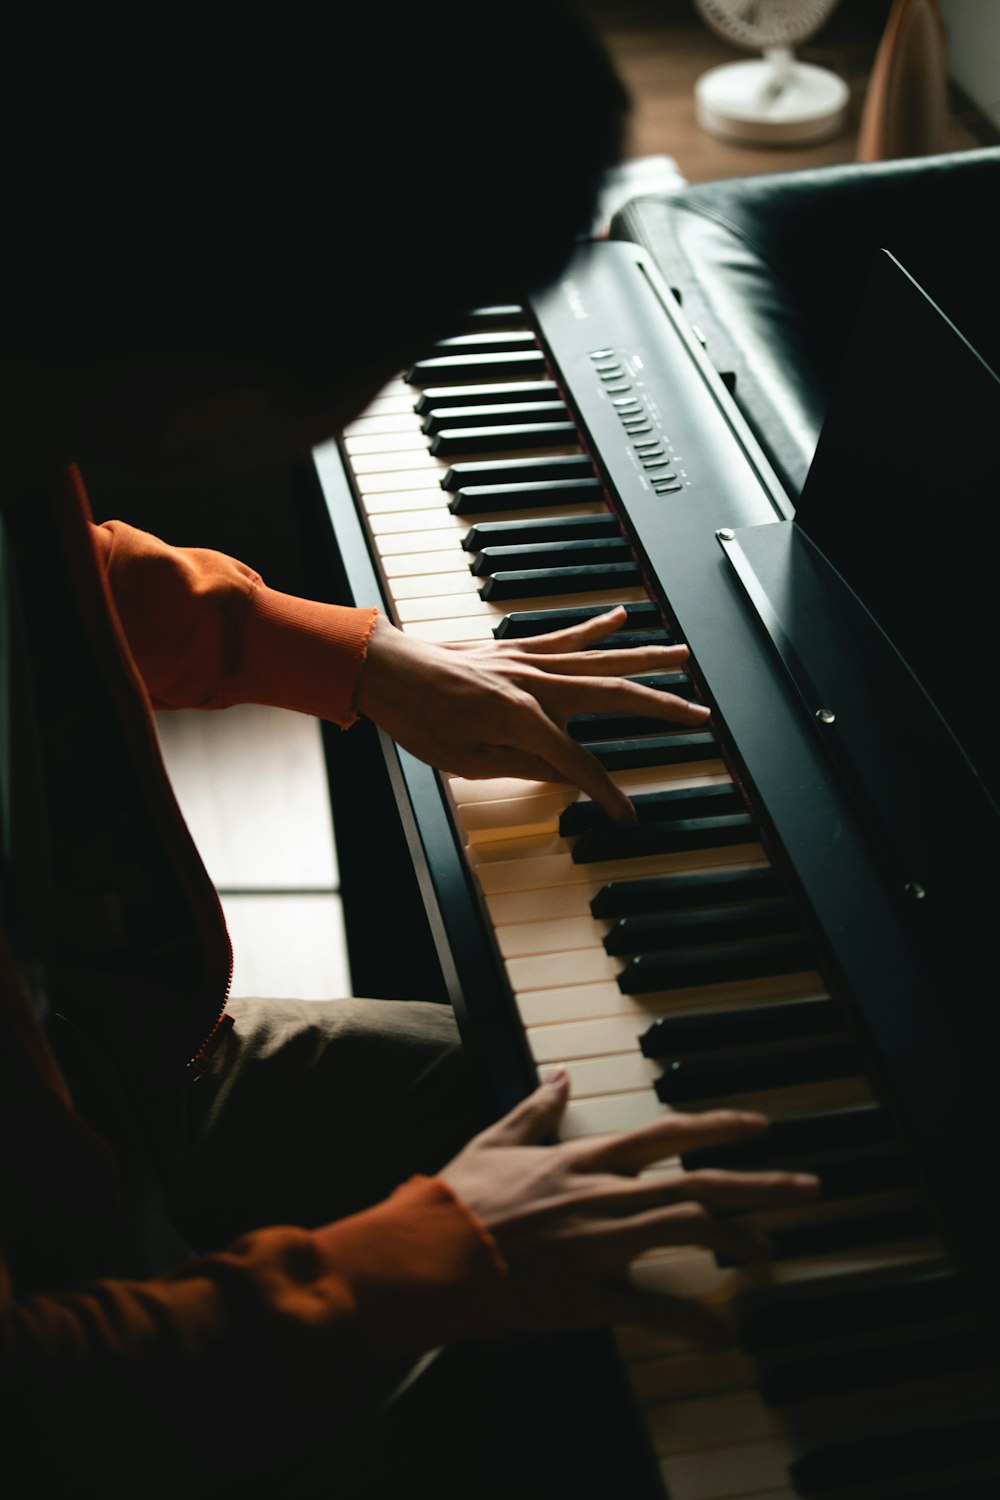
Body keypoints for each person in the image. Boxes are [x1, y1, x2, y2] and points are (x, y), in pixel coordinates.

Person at [0, 4, 820, 1495]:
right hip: (78, 1321)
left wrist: (356, 656)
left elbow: (63, 569)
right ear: (213, 400)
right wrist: (424, 1264)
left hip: (102, 1075)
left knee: (648, 1119)